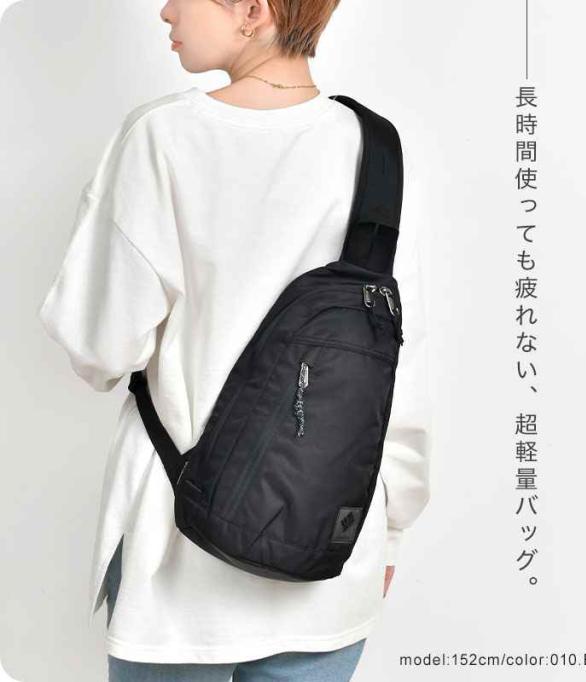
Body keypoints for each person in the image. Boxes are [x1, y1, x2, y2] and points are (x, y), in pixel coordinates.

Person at [37, 0, 431, 679]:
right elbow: (397, 366)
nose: (166, 11)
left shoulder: (162, 138)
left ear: (252, 9)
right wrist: (389, 533)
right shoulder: (379, 153)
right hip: (329, 567)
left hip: (176, 576)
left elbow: (101, 350)